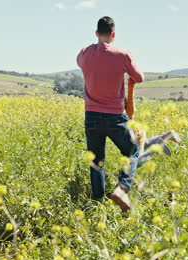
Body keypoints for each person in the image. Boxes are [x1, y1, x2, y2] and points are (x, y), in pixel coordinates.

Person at [77, 16, 144, 212]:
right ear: (113, 34)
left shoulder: (84, 54)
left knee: (96, 162)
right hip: (115, 116)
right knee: (132, 151)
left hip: (91, 116)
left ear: (97, 33)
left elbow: (81, 61)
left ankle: (97, 205)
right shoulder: (122, 54)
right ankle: (122, 190)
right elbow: (139, 78)